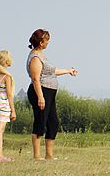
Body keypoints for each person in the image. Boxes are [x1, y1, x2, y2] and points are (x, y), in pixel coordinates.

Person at [26, 29, 78, 160]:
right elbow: (36, 79)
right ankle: (36, 156)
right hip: (40, 91)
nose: (48, 42)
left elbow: (52, 71)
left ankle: (49, 155)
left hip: (49, 92)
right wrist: (41, 97)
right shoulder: (35, 58)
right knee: (40, 122)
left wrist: (68, 71)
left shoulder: (42, 55)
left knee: (53, 122)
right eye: (46, 40)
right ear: (40, 41)